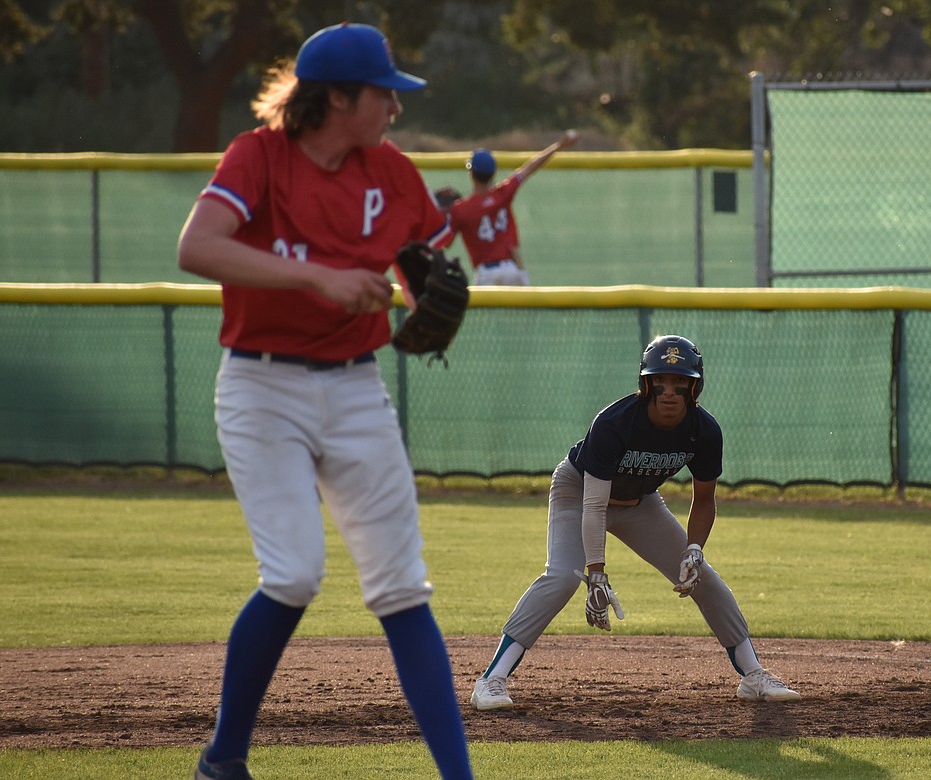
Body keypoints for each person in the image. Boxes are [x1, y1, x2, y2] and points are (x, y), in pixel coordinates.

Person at [176, 22, 473, 780]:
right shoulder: (259, 156)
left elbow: (429, 261)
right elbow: (198, 246)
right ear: (338, 97)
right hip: (260, 386)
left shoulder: (391, 172)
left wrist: (419, 293)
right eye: (383, 95)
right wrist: (319, 277)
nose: (393, 110)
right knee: (295, 573)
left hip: (353, 386)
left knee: (402, 585)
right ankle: (225, 757)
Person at [470, 335, 801, 711]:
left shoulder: (704, 430)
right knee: (563, 576)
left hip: (639, 503)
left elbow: (704, 499)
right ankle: (491, 680)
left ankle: (753, 675)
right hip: (578, 493)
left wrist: (695, 550)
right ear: (646, 384)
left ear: (696, 386)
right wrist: (596, 572)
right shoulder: (615, 422)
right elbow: (594, 506)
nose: (669, 392)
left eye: (680, 382)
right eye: (660, 381)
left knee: (703, 577)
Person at [447, 130, 578, 285]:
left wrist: (444, 212)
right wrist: (558, 146)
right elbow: (530, 167)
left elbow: (446, 242)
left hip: (486, 273)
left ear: (471, 173)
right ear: (493, 173)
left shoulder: (460, 209)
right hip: (514, 270)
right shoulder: (504, 193)